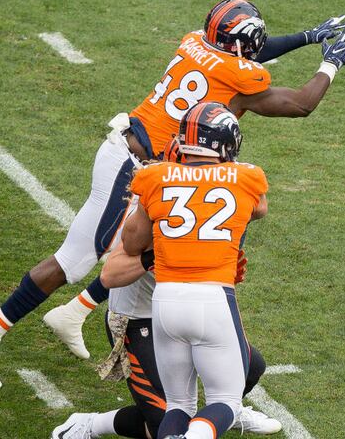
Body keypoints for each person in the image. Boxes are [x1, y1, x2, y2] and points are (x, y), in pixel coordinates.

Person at [0, 0, 345, 388]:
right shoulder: (242, 79)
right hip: (130, 163)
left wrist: (308, 35)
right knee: (82, 257)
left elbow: (248, 50)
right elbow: (299, 104)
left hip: (148, 161)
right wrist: (331, 62)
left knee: (155, 246)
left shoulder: (195, 42)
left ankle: (73, 312)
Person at [121, 102, 268, 439]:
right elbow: (258, 209)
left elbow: (131, 244)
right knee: (226, 403)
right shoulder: (246, 176)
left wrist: (159, 194)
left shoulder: (155, 177)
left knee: (178, 405)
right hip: (213, 298)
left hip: (166, 301)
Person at [51, 245, 280, 438]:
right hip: (138, 319)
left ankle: (228, 412)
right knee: (163, 422)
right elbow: (110, 275)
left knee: (252, 367)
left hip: (188, 308)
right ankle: (90, 424)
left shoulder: (218, 205)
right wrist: (157, 255)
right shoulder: (154, 209)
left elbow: (258, 209)